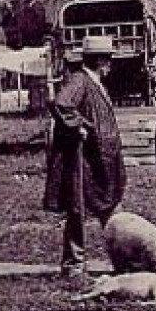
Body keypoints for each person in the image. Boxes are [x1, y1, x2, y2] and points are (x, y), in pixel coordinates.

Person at [42, 35, 126, 282]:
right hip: (83, 159)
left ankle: (121, 260)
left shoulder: (94, 82)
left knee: (110, 207)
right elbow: (60, 104)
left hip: (100, 158)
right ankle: (74, 265)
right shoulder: (80, 80)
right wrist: (78, 125)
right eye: (108, 59)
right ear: (101, 60)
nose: (110, 64)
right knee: (78, 209)